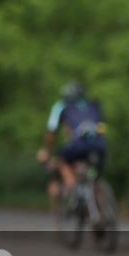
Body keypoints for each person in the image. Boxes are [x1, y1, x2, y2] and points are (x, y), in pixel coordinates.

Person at [37, 81, 107, 210]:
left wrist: (46, 151)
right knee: (95, 176)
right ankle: (101, 207)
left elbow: (52, 132)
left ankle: (74, 190)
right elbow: (102, 126)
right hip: (100, 145)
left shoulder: (61, 106)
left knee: (61, 161)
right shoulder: (93, 104)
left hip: (77, 145)